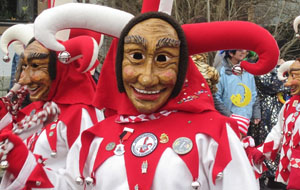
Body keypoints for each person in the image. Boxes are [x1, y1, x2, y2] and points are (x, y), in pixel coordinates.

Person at [6, 2, 280, 188]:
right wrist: (21, 162)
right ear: (118, 63)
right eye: (136, 56)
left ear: (182, 66)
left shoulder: (213, 136)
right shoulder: (93, 141)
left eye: (163, 59)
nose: (147, 77)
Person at [0, 25, 105, 189]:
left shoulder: (80, 114)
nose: (24, 79)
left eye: (35, 67)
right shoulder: (40, 108)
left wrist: (25, 166)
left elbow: (85, 182)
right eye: (25, 66)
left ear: (60, 68)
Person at [250, 58, 300, 189]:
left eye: (293, 77)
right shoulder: (290, 104)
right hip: (291, 168)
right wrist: (262, 151)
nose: (288, 84)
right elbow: (279, 130)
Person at [215, 50, 261, 137]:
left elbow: (254, 94)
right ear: (231, 53)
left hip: (246, 120)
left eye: (246, 51)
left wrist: (256, 113)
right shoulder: (221, 72)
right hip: (229, 121)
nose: (244, 52)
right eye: (240, 50)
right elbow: (216, 97)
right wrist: (229, 115)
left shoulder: (248, 71)